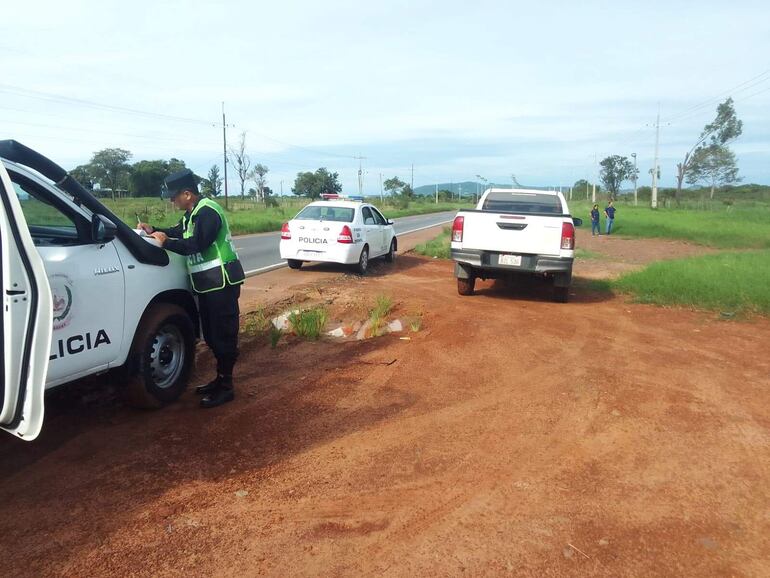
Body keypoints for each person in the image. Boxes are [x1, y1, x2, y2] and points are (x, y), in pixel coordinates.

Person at [138, 169, 245, 408]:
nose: (171, 200)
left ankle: (227, 387)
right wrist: (153, 228)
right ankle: (219, 380)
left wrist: (167, 243)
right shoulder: (191, 214)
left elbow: (197, 244)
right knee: (211, 335)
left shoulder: (208, 212)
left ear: (187, 194)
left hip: (222, 284)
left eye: (173, 196)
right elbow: (178, 231)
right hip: (208, 285)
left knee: (223, 335)